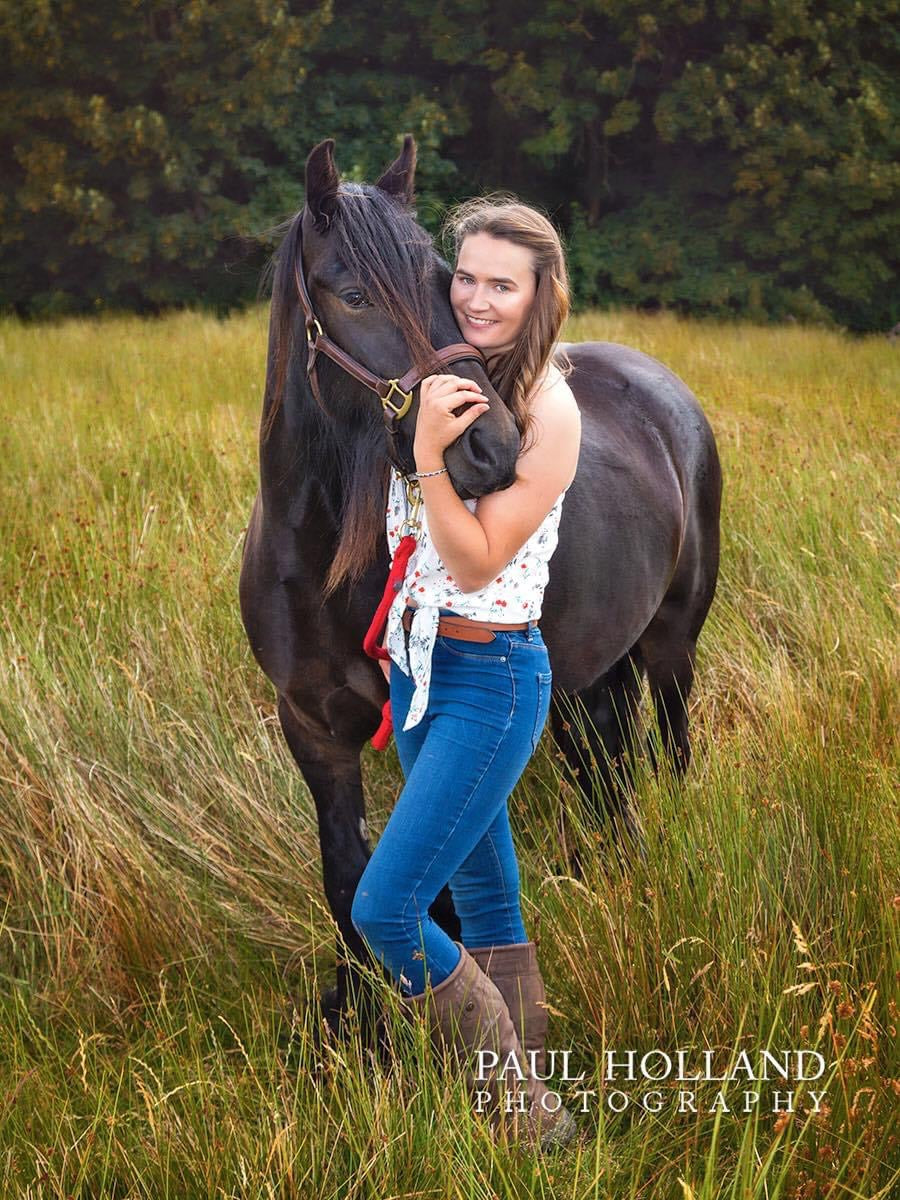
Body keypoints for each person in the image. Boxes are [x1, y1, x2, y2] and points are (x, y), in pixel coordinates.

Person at [351, 198, 582, 1150]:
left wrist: (427, 463)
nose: (478, 299)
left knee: (387, 909)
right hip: (418, 673)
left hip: (492, 682)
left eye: (502, 284)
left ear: (539, 297)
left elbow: (481, 560)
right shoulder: (444, 375)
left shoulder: (548, 408)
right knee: (486, 899)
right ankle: (519, 1092)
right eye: (467, 277)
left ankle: (524, 1108)